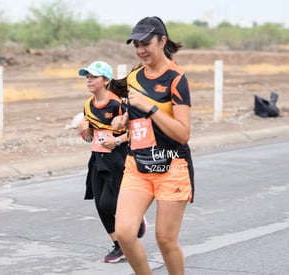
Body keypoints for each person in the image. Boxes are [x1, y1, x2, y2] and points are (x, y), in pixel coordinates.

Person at [111, 16, 194, 275]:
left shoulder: (176, 79)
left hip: (172, 166)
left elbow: (183, 134)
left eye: (146, 43)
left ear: (162, 40)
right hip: (137, 165)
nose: (140, 50)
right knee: (124, 233)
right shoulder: (134, 76)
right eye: (136, 44)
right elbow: (132, 116)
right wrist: (122, 119)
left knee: (165, 240)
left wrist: (152, 108)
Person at [77, 61, 147, 263]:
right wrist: (82, 131)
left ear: (105, 80)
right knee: (99, 205)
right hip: (97, 157)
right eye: (87, 76)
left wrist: (116, 140)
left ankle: (135, 216)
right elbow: (90, 137)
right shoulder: (88, 105)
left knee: (109, 203)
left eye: (93, 76)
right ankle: (119, 246)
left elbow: (137, 132)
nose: (88, 80)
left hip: (118, 157)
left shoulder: (118, 105)